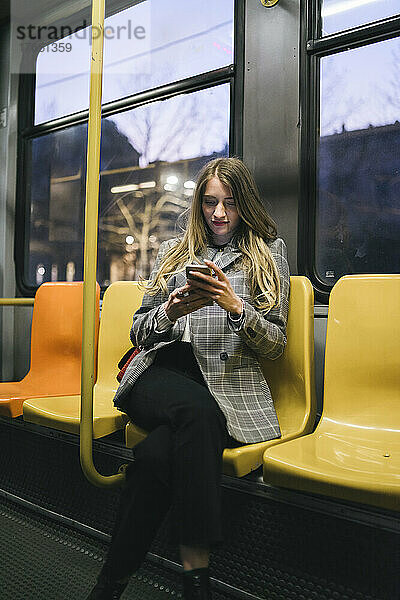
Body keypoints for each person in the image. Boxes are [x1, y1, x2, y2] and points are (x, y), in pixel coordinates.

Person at [87, 157, 290, 600]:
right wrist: (171, 311)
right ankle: (196, 577)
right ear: (199, 203)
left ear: (245, 206)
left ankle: (110, 583)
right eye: (210, 203)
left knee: (156, 459)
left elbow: (276, 344)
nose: (218, 214)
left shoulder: (268, 252)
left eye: (230, 204)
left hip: (223, 386)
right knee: (197, 413)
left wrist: (237, 308)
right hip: (159, 375)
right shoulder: (173, 252)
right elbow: (137, 330)